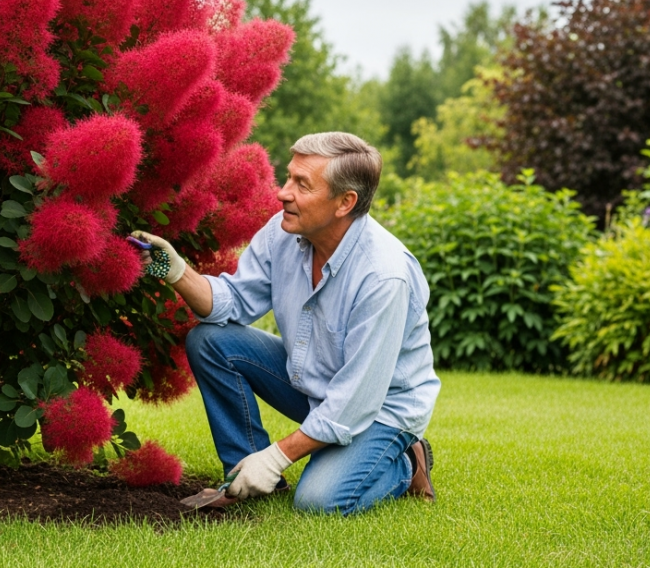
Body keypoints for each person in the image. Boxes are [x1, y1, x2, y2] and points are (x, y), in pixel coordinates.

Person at [133, 132, 440, 515]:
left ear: (346, 202)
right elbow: (232, 302)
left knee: (318, 502)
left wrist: (277, 455)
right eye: (288, 177)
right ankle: (248, 474)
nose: (282, 193)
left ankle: (406, 461)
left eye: (302, 184)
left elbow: (354, 402)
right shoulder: (284, 232)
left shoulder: (383, 276)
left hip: (378, 408)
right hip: (318, 381)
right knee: (210, 341)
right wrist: (177, 271)